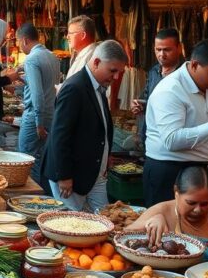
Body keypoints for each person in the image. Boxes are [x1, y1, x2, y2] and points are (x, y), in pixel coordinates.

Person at [144, 39, 208, 207]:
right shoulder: (170, 90)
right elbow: (172, 140)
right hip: (170, 170)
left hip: (202, 171)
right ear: (194, 65)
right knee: (167, 228)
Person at [42, 40, 128, 213]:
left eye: (119, 72)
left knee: (104, 219)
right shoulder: (75, 87)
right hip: (72, 175)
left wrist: (106, 156)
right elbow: (60, 135)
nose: (116, 77)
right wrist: (64, 176)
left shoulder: (97, 86)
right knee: (74, 225)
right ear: (96, 62)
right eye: (113, 71)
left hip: (93, 172)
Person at [127, 165, 208, 260]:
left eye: (205, 204)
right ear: (176, 192)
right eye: (191, 203)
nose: (198, 209)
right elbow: (120, 237)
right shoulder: (160, 211)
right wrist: (148, 223)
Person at [17, 23, 58, 180]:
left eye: (18, 42)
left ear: (25, 40)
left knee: (27, 161)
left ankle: (31, 200)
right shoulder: (52, 56)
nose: (19, 46)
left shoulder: (32, 59)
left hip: (36, 116)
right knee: (41, 159)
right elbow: (46, 86)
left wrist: (38, 123)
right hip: (50, 114)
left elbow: (38, 94)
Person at [131, 28, 184, 146]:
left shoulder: (186, 74)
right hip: (150, 138)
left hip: (174, 139)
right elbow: (147, 98)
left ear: (179, 48)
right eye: (158, 49)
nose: (161, 55)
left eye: (167, 50)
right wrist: (139, 105)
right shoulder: (154, 71)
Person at [64, 15, 98, 80]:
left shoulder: (92, 58)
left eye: (70, 33)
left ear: (83, 35)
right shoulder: (82, 54)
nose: (67, 37)